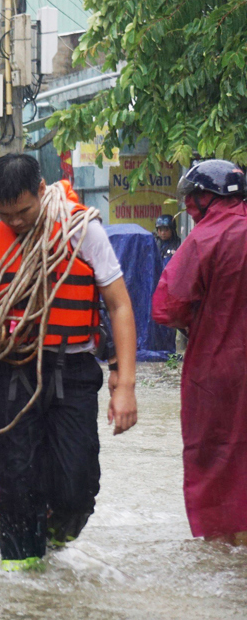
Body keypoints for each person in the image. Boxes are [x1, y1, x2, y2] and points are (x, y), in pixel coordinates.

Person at [0, 154, 137, 571]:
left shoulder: (81, 229)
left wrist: (125, 385)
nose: (16, 222)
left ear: (41, 190)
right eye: (7, 213)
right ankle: (23, 584)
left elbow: (120, 305)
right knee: (16, 482)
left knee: (77, 487)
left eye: (25, 211)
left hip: (72, 370)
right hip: (8, 369)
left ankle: (55, 536)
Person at [152, 159, 247, 546]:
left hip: (217, 367)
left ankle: (224, 543)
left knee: (215, 454)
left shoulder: (204, 240)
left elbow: (166, 306)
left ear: (206, 198)